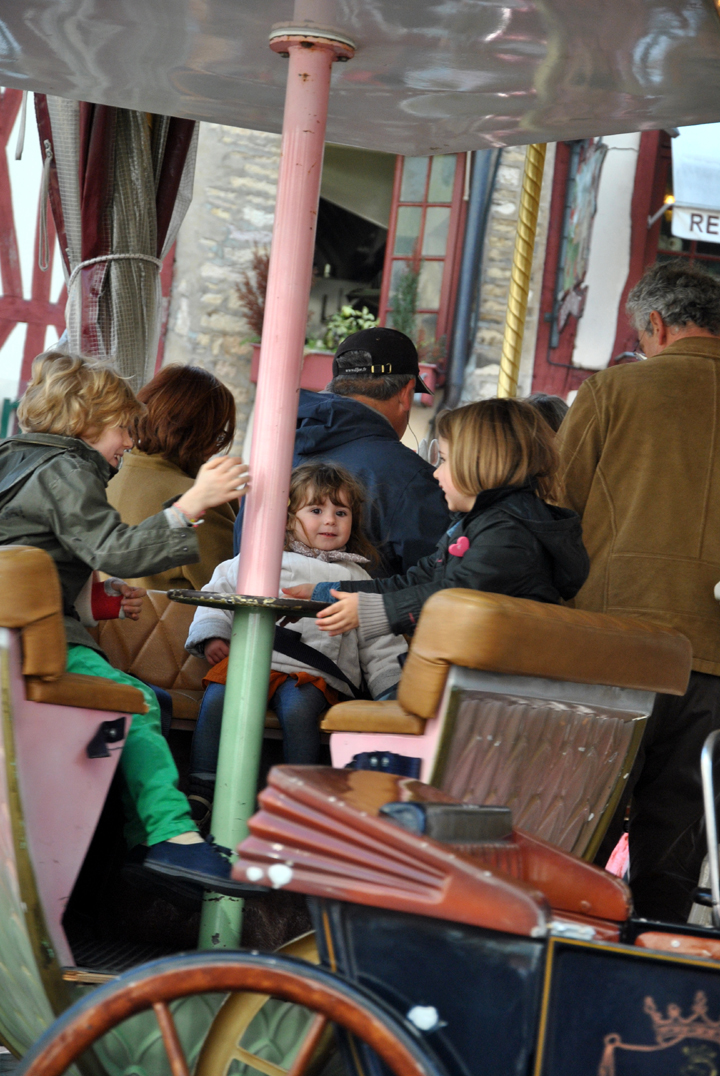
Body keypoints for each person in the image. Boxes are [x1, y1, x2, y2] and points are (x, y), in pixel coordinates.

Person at [0, 351, 252, 897]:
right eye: (122, 428)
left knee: (149, 699)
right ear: (84, 421)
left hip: (16, 636)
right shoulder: (67, 470)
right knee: (136, 702)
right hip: (33, 643)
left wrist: (97, 600)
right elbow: (116, 550)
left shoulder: (13, 459)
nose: (131, 441)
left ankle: (141, 848)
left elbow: (30, 556)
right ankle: (170, 837)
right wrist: (191, 505)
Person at [557, 259, 720, 923]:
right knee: (677, 844)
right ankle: (656, 954)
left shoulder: (614, 391)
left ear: (656, 324)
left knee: (583, 825)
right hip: (715, 655)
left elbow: (556, 505)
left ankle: (578, 950)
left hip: (616, 641)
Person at [186, 462, 407, 822]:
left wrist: (392, 687)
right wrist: (213, 634)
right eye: (316, 510)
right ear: (288, 519)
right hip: (251, 658)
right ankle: (202, 786)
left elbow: (377, 636)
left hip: (314, 672)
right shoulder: (258, 560)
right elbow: (218, 594)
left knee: (298, 711)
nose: (330, 520)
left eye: (341, 512)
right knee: (218, 698)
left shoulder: (357, 578)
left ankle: (296, 798)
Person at [286, 399, 589, 641]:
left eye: (444, 460)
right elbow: (416, 580)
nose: (435, 473)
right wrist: (325, 593)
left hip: (498, 678)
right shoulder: (476, 524)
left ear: (478, 464)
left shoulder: (508, 533)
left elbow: (457, 594)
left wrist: (372, 611)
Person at [234, 327, 450, 575]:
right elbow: (441, 582)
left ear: (336, 384)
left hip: (247, 598)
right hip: (354, 602)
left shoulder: (274, 449)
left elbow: (238, 551)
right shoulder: (412, 476)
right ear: (405, 393)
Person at [107, 364, 237, 590]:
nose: (215, 449)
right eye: (217, 436)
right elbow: (229, 592)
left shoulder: (102, 485)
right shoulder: (198, 498)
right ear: (201, 433)